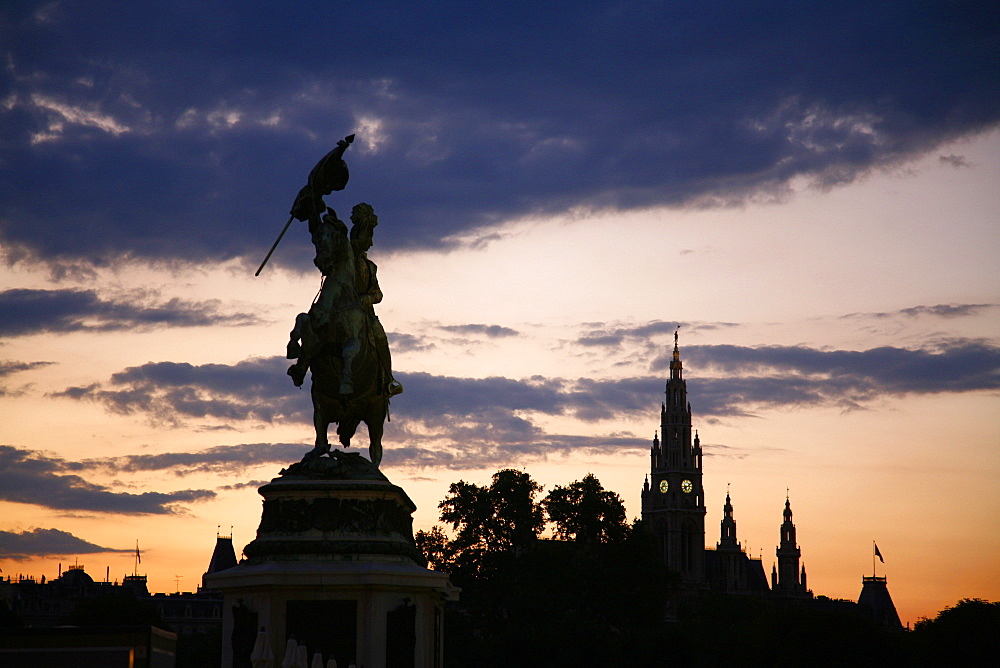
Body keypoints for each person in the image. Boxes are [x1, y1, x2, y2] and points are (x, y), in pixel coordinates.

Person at [350, 203, 403, 397]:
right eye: (367, 238)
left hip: (364, 314)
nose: (370, 243)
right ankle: (302, 364)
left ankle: (388, 380)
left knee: (380, 336)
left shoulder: (370, 267)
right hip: (341, 307)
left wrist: (368, 298)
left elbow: (378, 293)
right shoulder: (343, 262)